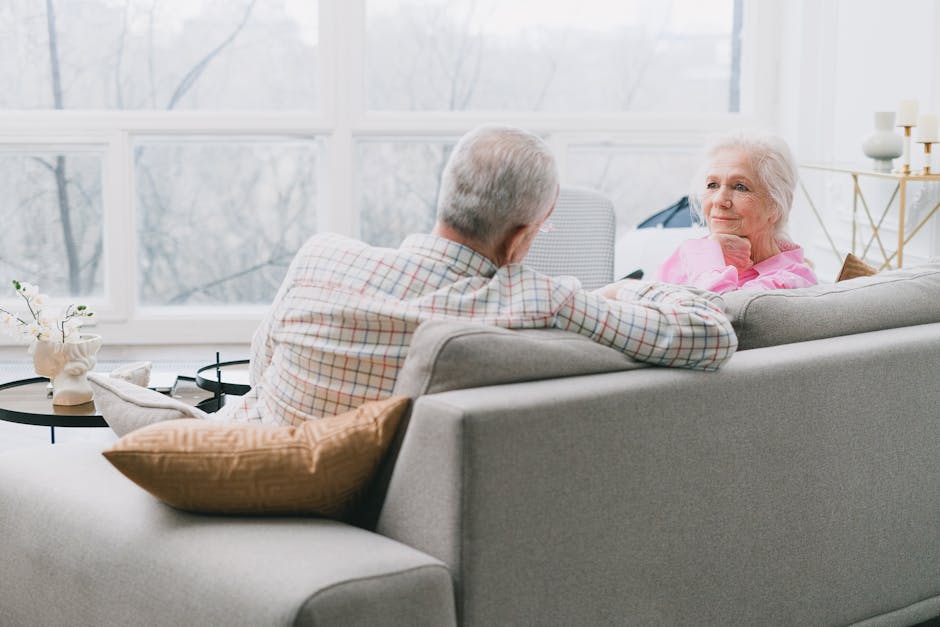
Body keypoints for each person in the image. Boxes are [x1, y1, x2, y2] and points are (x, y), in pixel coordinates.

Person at [219, 124, 737, 427]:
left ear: (446, 193)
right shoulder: (533, 299)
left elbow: (260, 381)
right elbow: (712, 336)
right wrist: (631, 288)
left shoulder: (320, 257)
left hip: (240, 458)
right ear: (520, 237)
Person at [654, 130, 818, 293]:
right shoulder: (691, 253)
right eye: (712, 185)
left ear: (775, 205)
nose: (718, 200)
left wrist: (707, 251)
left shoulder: (792, 281)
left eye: (740, 187)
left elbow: (719, 308)